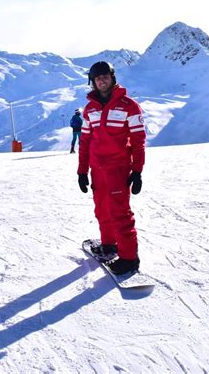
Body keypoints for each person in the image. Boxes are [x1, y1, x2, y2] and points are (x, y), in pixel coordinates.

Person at [77, 61, 146, 275]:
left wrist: (137, 171)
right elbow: (85, 141)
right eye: (98, 78)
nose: (102, 80)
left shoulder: (129, 106)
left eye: (105, 76)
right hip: (97, 169)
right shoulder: (90, 110)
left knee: (120, 213)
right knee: (101, 209)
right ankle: (109, 243)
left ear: (112, 77)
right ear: (93, 82)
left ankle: (129, 258)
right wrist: (82, 171)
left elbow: (138, 140)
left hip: (118, 169)